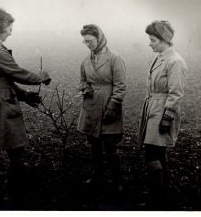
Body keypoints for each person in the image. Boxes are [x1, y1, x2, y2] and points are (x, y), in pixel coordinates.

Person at [0, 8, 51, 209]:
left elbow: (3, 81)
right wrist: (41, 76)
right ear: (0, 27)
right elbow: (17, 73)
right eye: (9, 27)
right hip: (0, 105)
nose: (11, 32)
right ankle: (16, 196)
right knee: (15, 150)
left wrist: (25, 96)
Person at [137, 20, 187, 210]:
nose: (149, 43)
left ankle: (155, 199)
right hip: (153, 108)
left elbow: (176, 93)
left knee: (152, 153)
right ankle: (162, 192)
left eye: (153, 40)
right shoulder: (159, 57)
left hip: (162, 110)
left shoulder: (175, 62)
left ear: (164, 40)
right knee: (158, 152)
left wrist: (167, 117)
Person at [77, 24, 127, 191]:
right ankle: (97, 177)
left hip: (108, 103)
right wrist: (86, 88)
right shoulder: (85, 60)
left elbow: (120, 86)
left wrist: (113, 106)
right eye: (85, 42)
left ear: (99, 38)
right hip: (91, 105)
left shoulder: (114, 58)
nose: (88, 44)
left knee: (110, 145)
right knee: (95, 145)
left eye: (90, 40)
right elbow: (83, 80)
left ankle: (117, 181)